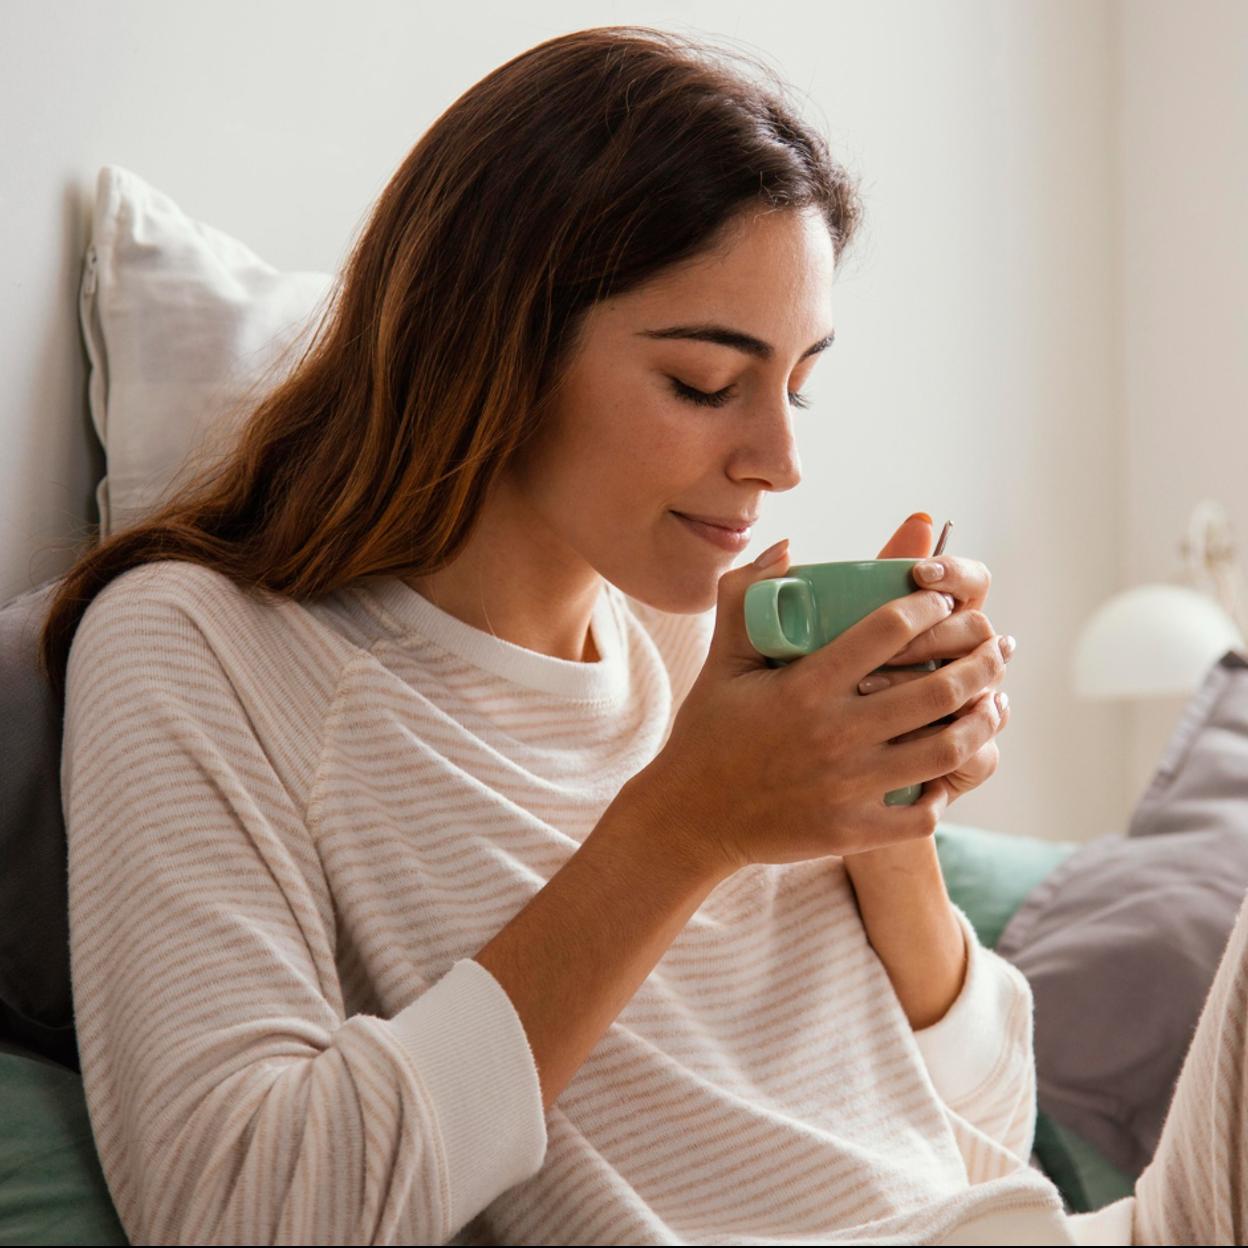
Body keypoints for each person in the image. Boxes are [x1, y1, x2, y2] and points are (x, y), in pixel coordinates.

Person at [40, 24, 1248, 1247]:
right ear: (494, 349)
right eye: (704, 384)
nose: (780, 462)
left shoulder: (704, 642)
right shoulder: (202, 651)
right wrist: (685, 827)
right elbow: (239, 1210)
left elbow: (981, 1151)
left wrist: (890, 829)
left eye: (798, 383)